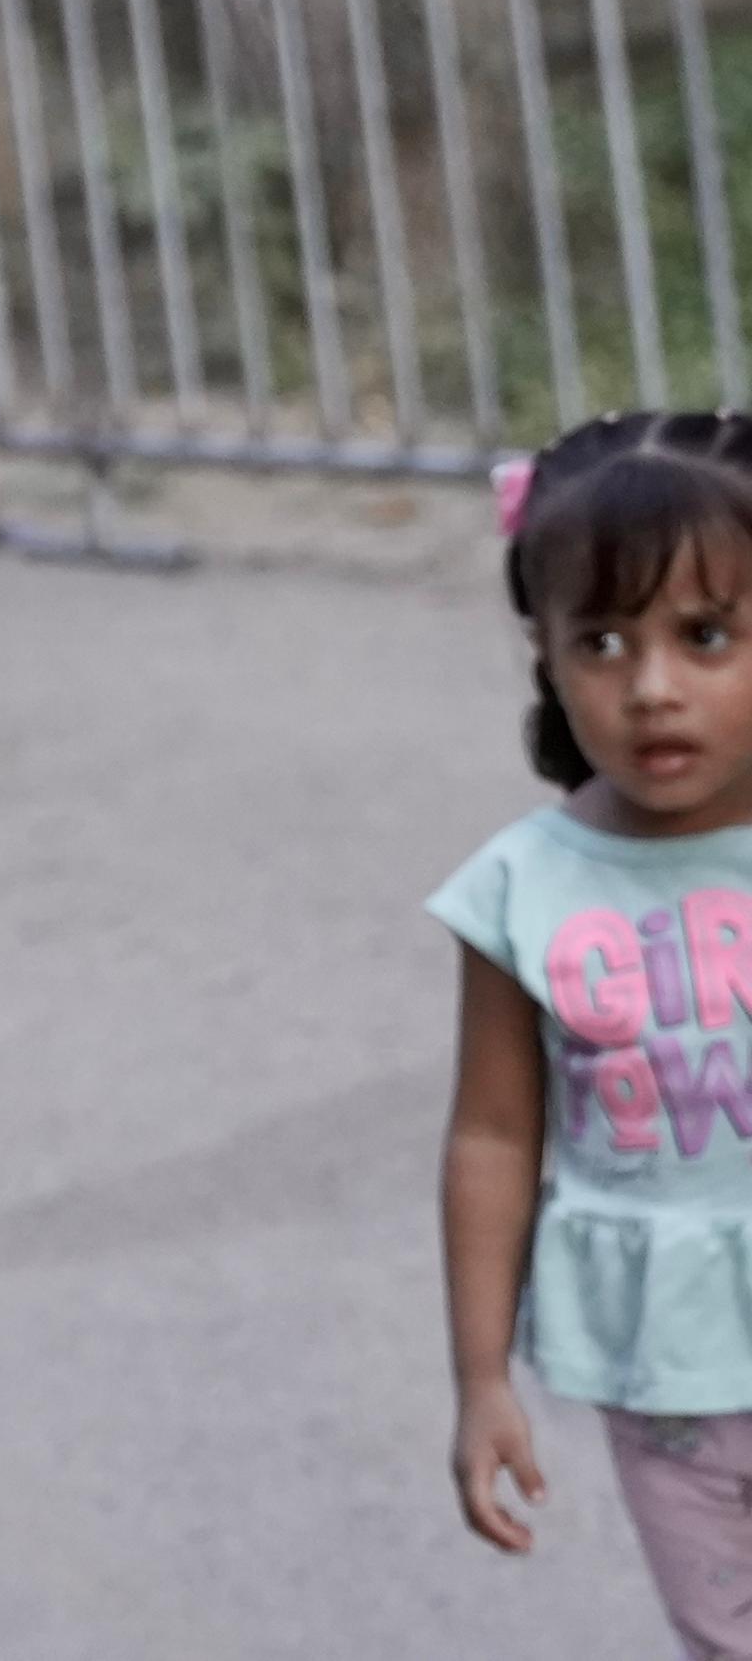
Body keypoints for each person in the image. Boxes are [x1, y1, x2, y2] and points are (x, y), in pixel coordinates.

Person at [439, 412, 752, 1654]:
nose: (651, 686)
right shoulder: (520, 889)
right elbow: (491, 1134)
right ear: (546, 659)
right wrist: (477, 1379)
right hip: (665, 1379)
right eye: (603, 641)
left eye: (706, 634)